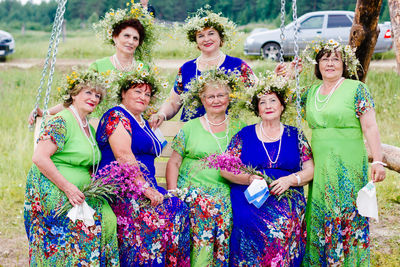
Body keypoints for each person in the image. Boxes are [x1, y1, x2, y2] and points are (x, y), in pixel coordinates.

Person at [300, 40, 386, 266]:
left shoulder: (356, 89)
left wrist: (377, 160)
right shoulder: (310, 92)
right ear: (317, 65)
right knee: (321, 210)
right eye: (324, 59)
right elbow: (276, 104)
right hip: (320, 165)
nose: (329, 63)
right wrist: (290, 72)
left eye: (335, 59)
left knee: (348, 211)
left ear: (344, 64)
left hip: (348, 162)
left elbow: (370, 127)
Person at [95, 67, 190, 266]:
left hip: (146, 186)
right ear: (123, 93)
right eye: (137, 91)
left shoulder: (144, 122)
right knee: (153, 216)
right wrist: (144, 188)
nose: (143, 97)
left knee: (179, 208)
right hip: (122, 187)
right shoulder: (117, 116)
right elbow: (123, 156)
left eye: (147, 94)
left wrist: (159, 118)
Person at [24, 70, 119, 266]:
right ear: (74, 94)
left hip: (79, 190)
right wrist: (68, 188)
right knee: (87, 226)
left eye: (98, 95)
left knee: (109, 218)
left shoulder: (89, 128)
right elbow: (40, 157)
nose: (94, 98)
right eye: (88, 93)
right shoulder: (62, 120)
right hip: (53, 188)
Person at [219, 73, 314, 266]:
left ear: (282, 106)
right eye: (263, 102)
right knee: (247, 220)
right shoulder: (244, 135)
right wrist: (249, 179)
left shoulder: (295, 135)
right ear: (257, 109)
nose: (268, 106)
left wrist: (290, 180)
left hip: (285, 195)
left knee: (284, 222)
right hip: (251, 195)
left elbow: (310, 170)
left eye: (273, 101)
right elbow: (225, 169)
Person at [166, 68, 247, 266]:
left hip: (224, 195)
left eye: (221, 95)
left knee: (224, 214)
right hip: (192, 195)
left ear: (229, 98)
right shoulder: (190, 127)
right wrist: (173, 193)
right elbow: (174, 162)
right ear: (203, 100)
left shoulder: (239, 128)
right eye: (210, 96)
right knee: (201, 215)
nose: (216, 100)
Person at [28, 3, 157, 123]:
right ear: (115, 37)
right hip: (101, 125)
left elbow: (150, 102)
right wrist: (46, 112)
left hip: (133, 126)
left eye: (135, 38)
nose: (130, 41)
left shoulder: (143, 68)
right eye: (126, 36)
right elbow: (78, 97)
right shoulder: (99, 66)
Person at [150, 8, 255, 127]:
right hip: (193, 135)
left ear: (220, 37)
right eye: (200, 35)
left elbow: (259, 92)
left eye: (211, 33)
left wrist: (278, 76)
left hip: (227, 133)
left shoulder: (237, 65)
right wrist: (161, 114)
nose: (206, 39)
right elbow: (173, 103)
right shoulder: (187, 69)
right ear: (196, 41)